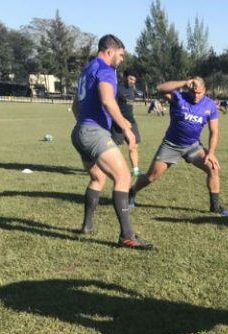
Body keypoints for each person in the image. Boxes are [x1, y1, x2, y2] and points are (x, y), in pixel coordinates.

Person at [70, 34, 153, 249]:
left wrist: (86, 124)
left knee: (98, 178)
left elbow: (75, 107)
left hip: (79, 131)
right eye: (121, 54)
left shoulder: (87, 70)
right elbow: (107, 100)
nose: (122, 59)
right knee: (123, 176)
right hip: (93, 133)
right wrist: (126, 128)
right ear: (109, 51)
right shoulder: (107, 70)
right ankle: (127, 236)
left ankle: (86, 227)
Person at [129, 77, 228, 216]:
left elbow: (214, 131)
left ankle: (215, 207)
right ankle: (131, 192)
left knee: (213, 168)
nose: (196, 96)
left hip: (193, 146)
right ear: (189, 89)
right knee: (151, 177)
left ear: (205, 91)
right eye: (193, 92)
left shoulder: (210, 105)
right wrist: (184, 83)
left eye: (199, 93)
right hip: (171, 145)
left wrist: (211, 153)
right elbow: (160, 88)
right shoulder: (178, 97)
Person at [110, 68, 141, 178]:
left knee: (133, 146)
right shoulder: (117, 89)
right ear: (124, 77)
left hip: (131, 122)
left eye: (134, 80)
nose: (132, 81)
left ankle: (136, 170)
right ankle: (113, 168)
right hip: (118, 122)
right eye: (130, 79)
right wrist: (123, 120)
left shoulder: (132, 89)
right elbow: (112, 107)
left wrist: (129, 119)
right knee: (114, 148)